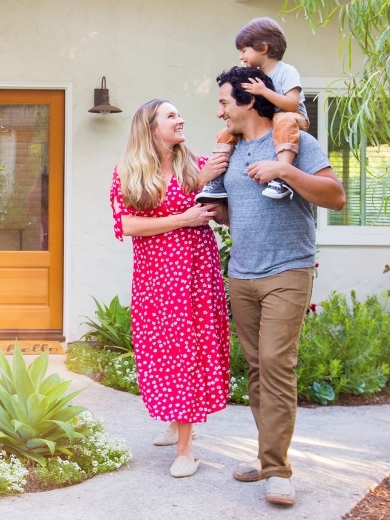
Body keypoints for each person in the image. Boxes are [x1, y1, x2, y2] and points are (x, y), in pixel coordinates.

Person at [213, 66, 345, 505]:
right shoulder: (230, 150)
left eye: (225, 103)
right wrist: (217, 214)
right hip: (242, 272)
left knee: (276, 363)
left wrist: (283, 172)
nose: (220, 112)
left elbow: (335, 196)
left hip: (288, 268)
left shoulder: (295, 142)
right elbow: (239, 209)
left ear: (249, 101)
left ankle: (278, 471)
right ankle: (268, 455)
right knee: (257, 369)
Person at [109, 99, 230, 478]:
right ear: (150, 127)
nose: (180, 120)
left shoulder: (193, 164)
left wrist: (211, 181)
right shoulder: (128, 172)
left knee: (189, 350)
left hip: (195, 275)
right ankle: (176, 420)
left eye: (180, 113)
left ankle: (186, 449)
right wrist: (183, 219)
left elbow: (218, 209)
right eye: (171, 115)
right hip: (156, 279)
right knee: (162, 350)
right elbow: (127, 225)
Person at [197, 17, 310, 203]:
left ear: (263, 48)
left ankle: (281, 176)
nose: (241, 56)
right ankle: (217, 181)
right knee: (225, 133)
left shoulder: (286, 71)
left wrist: (263, 91)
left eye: (244, 50)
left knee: (284, 120)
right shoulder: (258, 75)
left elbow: (292, 104)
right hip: (274, 118)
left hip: (293, 117)